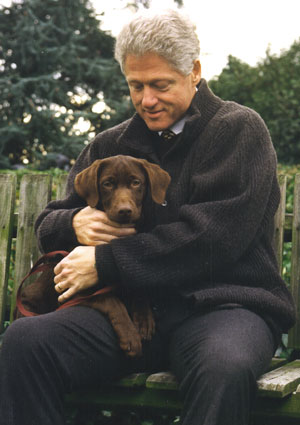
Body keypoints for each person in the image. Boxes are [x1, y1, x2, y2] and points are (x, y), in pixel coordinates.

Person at [0, 9, 296, 425]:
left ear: (193, 71)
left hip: (225, 308)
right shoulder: (110, 143)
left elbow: (213, 239)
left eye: (160, 85)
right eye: (135, 86)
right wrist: (73, 224)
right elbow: (52, 220)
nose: (146, 100)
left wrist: (107, 261)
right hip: (134, 314)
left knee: (223, 367)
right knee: (27, 342)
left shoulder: (238, 130)